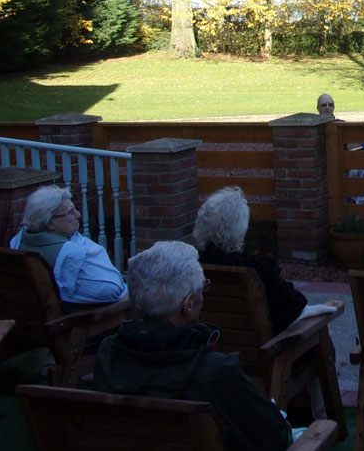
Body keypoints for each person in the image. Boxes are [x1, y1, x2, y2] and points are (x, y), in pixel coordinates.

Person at [93, 241, 293, 451]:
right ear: (188, 305)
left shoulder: (108, 354)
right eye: (202, 289)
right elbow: (275, 437)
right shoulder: (214, 372)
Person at [194, 186, 307, 334]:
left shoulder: (195, 266)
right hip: (258, 350)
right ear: (241, 227)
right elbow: (295, 306)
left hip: (213, 346)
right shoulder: (256, 269)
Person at [9, 185, 127, 310]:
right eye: (70, 212)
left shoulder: (17, 242)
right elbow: (113, 290)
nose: (78, 215)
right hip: (71, 323)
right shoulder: (74, 253)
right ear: (49, 223)